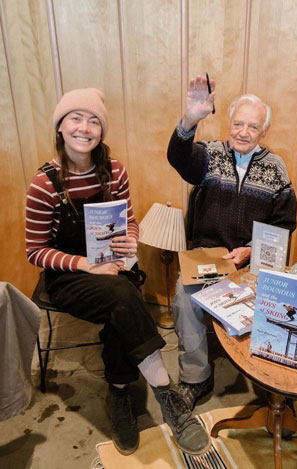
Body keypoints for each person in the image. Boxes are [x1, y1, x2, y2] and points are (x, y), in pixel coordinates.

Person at [25, 88, 210, 456]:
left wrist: (131, 241)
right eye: (76, 119)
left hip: (112, 264)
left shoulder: (115, 172)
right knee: (124, 296)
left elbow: (129, 222)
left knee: (120, 307)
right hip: (70, 276)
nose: (85, 128)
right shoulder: (44, 184)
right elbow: (35, 251)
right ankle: (166, 394)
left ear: (101, 132)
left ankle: (119, 394)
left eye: (94, 121)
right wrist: (84, 264)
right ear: (60, 127)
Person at [167, 76, 297, 410]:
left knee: (281, 302)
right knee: (185, 298)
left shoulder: (276, 167)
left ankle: (270, 379)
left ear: (263, 131)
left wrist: (253, 250)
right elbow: (179, 158)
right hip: (208, 255)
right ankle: (195, 377)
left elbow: (284, 224)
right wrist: (189, 121)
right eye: (238, 124)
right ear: (229, 124)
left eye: (252, 127)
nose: (243, 132)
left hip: (255, 259)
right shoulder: (209, 155)